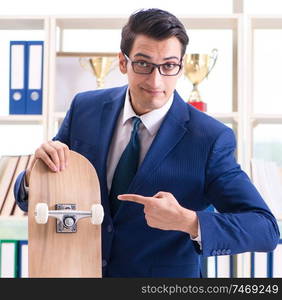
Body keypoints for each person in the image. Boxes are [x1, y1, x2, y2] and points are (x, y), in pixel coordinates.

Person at [14, 8, 280, 278]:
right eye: (143, 64)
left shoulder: (209, 138)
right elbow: (38, 199)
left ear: (181, 66)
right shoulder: (85, 109)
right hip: (77, 273)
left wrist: (188, 221)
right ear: (122, 62)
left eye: (168, 65)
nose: (156, 80)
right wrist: (34, 176)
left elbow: (265, 229)